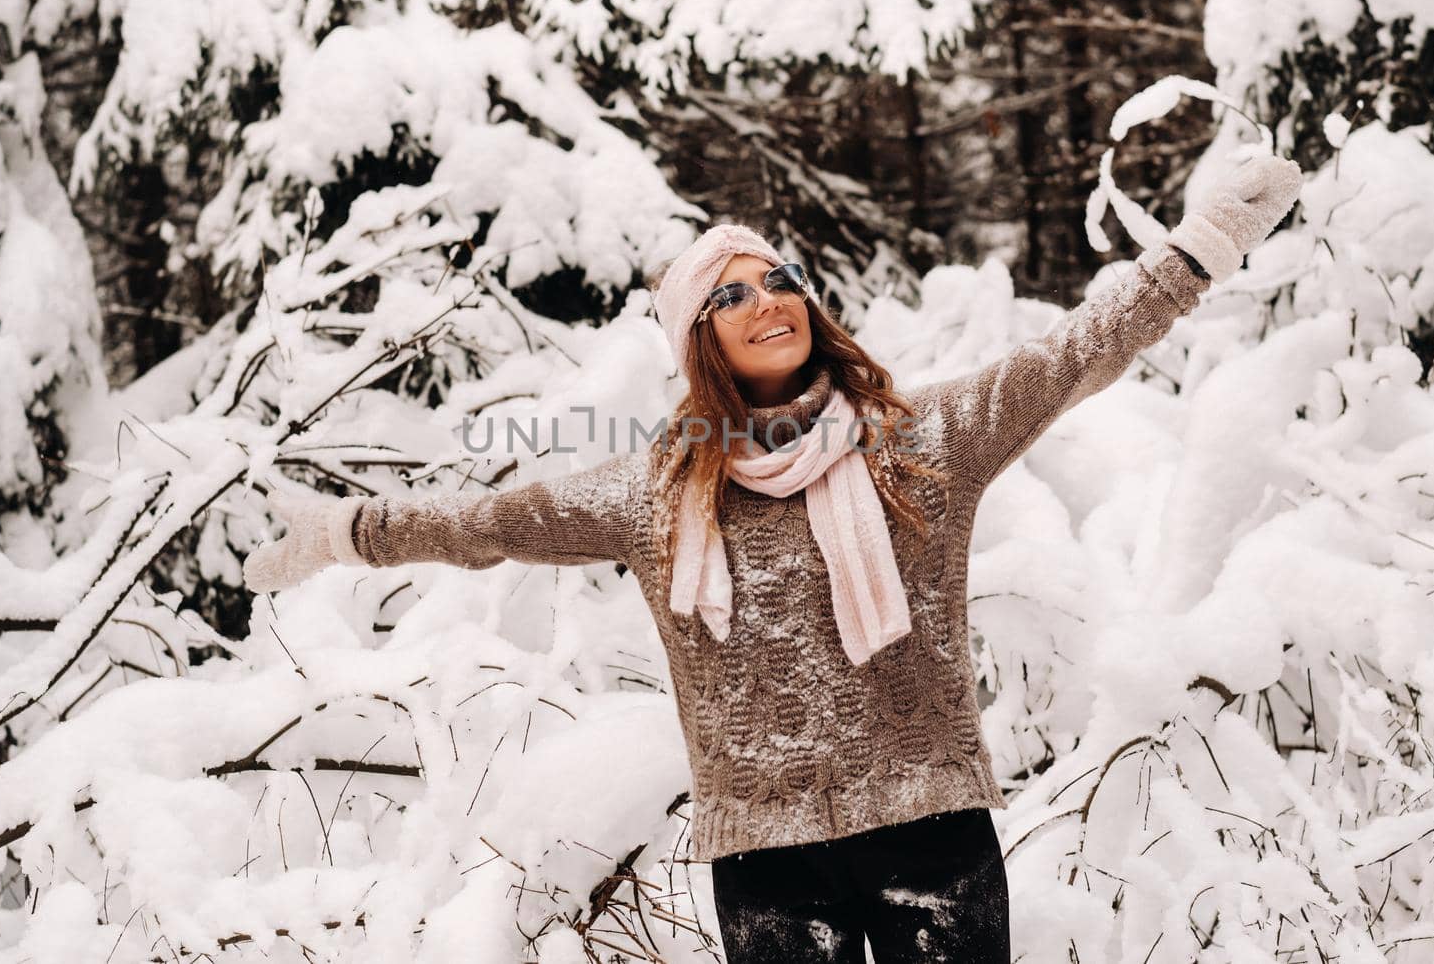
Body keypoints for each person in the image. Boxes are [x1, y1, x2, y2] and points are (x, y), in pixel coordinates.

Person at [242, 154, 1303, 963]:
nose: (769, 299)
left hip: (933, 830)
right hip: (764, 861)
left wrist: (1200, 243)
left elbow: (1077, 351)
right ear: (695, 338)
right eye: (731, 293)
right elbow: (484, 524)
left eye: (780, 277)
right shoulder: (657, 492)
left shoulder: (921, 442)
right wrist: (343, 533)